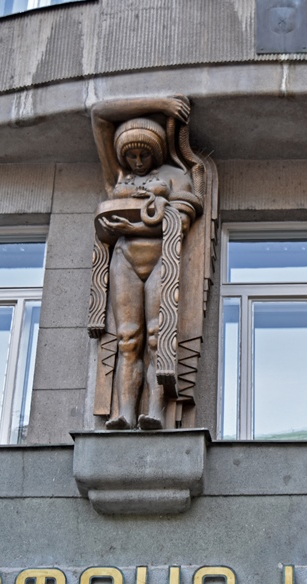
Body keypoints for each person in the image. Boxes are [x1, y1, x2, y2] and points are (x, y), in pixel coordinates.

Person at [89, 97, 202, 430]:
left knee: (156, 338)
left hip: (160, 261)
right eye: (131, 155)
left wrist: (130, 226)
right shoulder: (119, 178)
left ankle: (153, 410)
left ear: (157, 152)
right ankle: (124, 411)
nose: (137, 161)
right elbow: (99, 115)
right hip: (124, 260)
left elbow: (179, 221)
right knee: (128, 340)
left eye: (144, 154)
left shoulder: (175, 177)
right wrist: (161, 104)